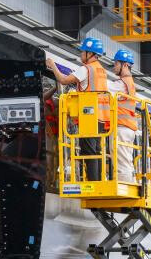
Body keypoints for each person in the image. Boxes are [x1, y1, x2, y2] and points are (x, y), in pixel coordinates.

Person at [46, 37, 110, 181]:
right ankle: (99, 181)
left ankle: (94, 183)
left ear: (90, 53)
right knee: (97, 151)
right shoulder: (101, 70)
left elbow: (63, 80)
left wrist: (52, 65)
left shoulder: (86, 69)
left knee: (89, 151)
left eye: (82, 52)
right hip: (101, 117)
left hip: (89, 116)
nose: (81, 55)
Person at [109, 49, 139, 183]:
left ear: (125, 65)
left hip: (121, 127)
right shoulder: (129, 83)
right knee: (126, 160)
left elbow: (103, 87)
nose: (114, 67)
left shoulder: (122, 84)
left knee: (121, 162)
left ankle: (124, 187)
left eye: (116, 63)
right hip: (127, 127)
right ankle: (129, 183)